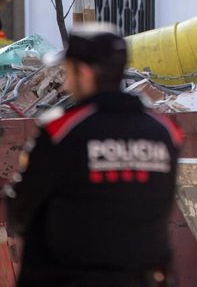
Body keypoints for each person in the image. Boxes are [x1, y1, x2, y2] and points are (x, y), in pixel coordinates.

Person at [5, 23, 183, 286]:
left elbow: (20, 209)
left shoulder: (63, 131)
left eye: (68, 72)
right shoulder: (165, 133)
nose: (66, 82)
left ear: (84, 73)